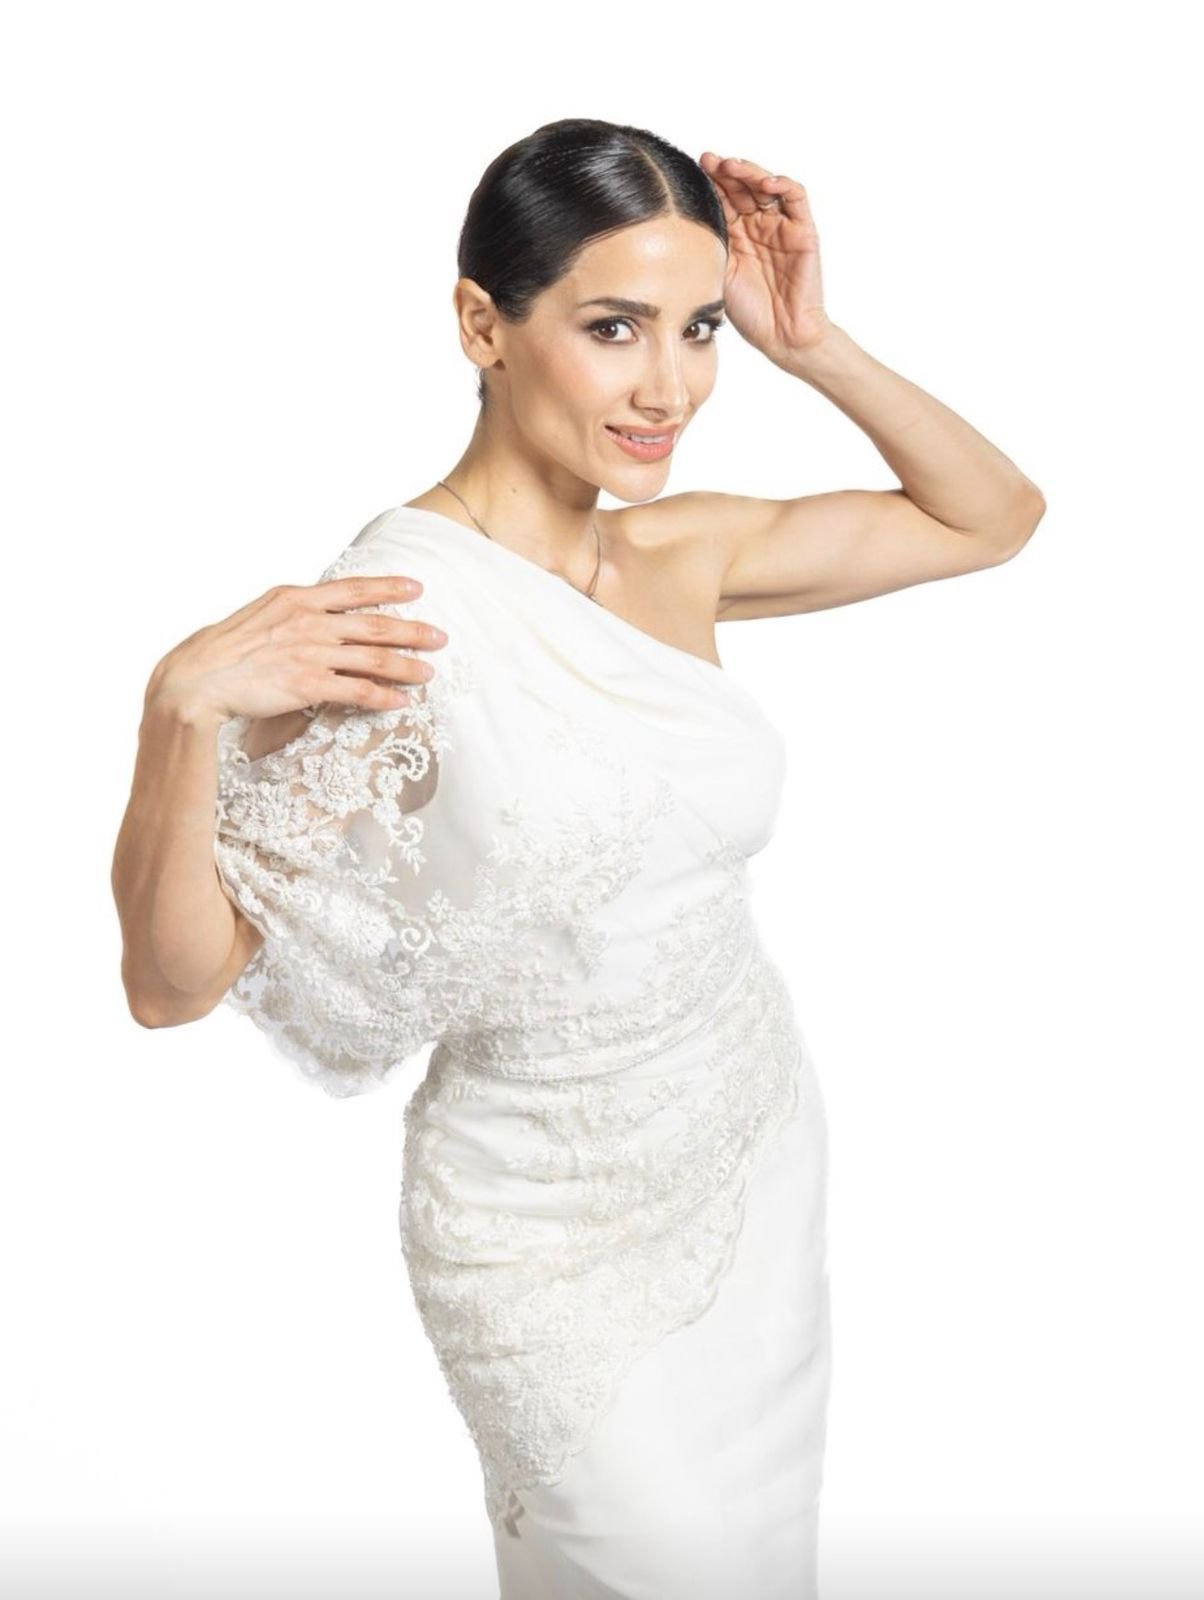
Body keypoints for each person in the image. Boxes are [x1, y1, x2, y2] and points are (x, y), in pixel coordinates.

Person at [111, 117, 1045, 1599]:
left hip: (748, 1164)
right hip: (544, 1233)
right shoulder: (393, 611)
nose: (669, 387)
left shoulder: (680, 554)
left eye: (697, 329)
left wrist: (812, 344)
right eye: (614, 328)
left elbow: (991, 517)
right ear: (483, 324)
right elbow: (171, 983)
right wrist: (178, 713)